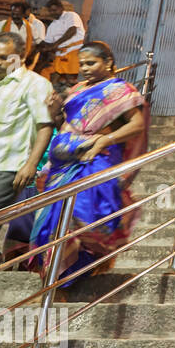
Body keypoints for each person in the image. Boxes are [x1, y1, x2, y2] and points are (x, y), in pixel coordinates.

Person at [30, 42, 147, 281]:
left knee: (81, 216)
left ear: (108, 63)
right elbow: (67, 123)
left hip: (94, 162)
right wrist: (54, 111)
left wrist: (106, 140)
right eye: (82, 63)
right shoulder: (78, 89)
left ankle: (75, 273)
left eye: (91, 63)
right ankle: (56, 279)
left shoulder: (120, 90)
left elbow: (137, 125)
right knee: (53, 221)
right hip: (63, 166)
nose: (85, 68)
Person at [0, 33, 54, 278]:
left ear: (21, 56)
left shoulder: (35, 84)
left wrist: (31, 164)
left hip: (1, 167)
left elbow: (44, 125)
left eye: (4, 58)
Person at [36, 0, 85, 88]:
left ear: (61, 8)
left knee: (71, 80)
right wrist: (39, 47)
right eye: (50, 11)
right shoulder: (52, 25)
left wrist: (55, 45)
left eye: (55, 10)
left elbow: (72, 30)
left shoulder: (71, 15)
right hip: (59, 55)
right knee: (48, 74)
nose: (53, 13)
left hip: (74, 51)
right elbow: (47, 42)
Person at [0, 1, 45, 68]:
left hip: (23, 61)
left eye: (18, 14)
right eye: (13, 14)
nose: (15, 16)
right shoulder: (1, 25)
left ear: (24, 14)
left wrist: (32, 56)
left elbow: (39, 42)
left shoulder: (30, 27)